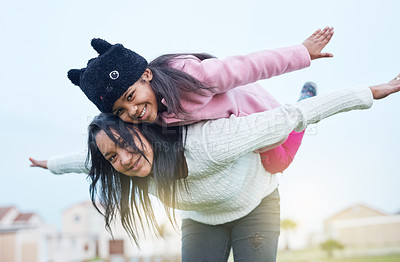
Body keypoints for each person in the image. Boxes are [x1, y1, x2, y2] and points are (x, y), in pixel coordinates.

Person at [37, 74, 400, 262]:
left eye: (127, 145)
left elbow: (290, 118)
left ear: (144, 130)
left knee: (286, 143)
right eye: (113, 157)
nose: (125, 159)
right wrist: (48, 164)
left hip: (256, 201)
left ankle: (303, 91)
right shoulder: (122, 165)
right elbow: (82, 162)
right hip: (202, 220)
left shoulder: (209, 142)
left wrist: (368, 92)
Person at [30, 27, 334, 174]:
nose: (132, 111)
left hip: (258, 115)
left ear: (146, 74)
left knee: (276, 163)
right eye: (120, 111)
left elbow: (249, 65)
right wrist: (51, 164)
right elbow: (107, 150)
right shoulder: (145, 120)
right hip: (231, 135)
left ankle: (303, 103)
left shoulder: (192, 77)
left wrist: (302, 52)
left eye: (131, 97)